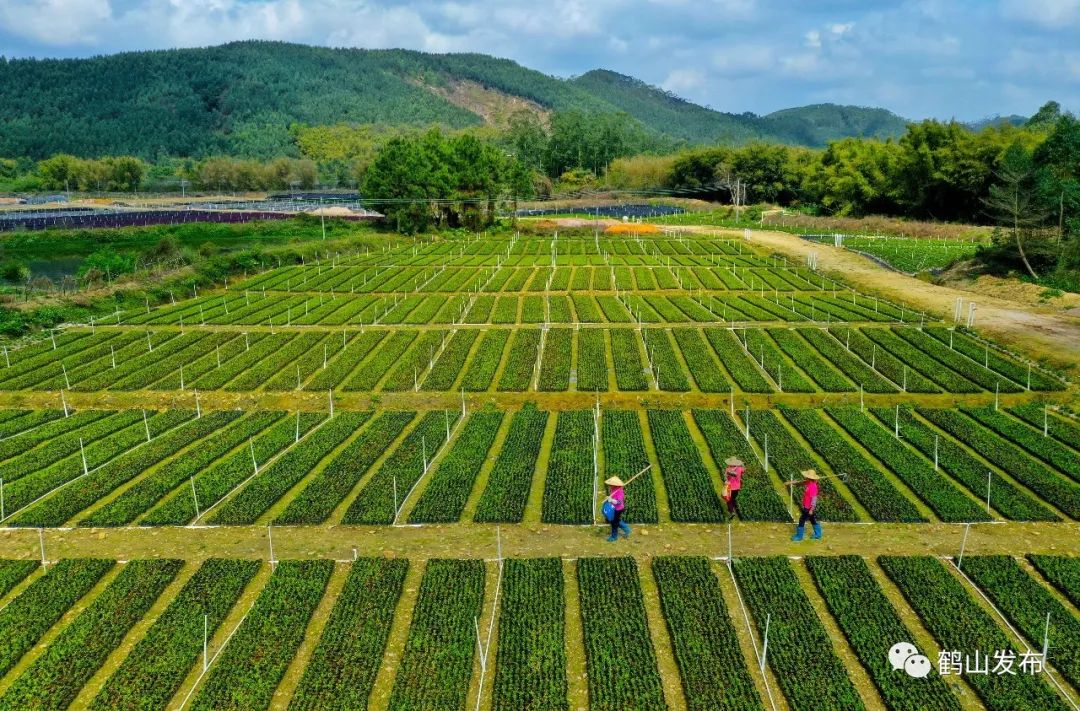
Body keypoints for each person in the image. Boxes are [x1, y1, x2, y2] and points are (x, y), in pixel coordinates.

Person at [787, 469, 822, 541]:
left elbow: (814, 499)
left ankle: (799, 536)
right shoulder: (808, 483)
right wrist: (794, 483)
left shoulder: (813, 487)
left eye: (806, 477)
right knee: (812, 519)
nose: (805, 477)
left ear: (809, 478)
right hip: (807, 506)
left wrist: (811, 509)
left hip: (809, 507)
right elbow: (801, 483)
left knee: (802, 520)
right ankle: (818, 535)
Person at [604, 476, 631, 542]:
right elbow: (612, 496)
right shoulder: (613, 489)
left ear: (615, 484)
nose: (609, 485)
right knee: (616, 520)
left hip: (618, 509)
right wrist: (609, 498)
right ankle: (627, 529)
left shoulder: (620, 492)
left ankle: (614, 537)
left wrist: (611, 500)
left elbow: (619, 502)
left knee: (614, 523)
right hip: (613, 508)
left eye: (611, 484)